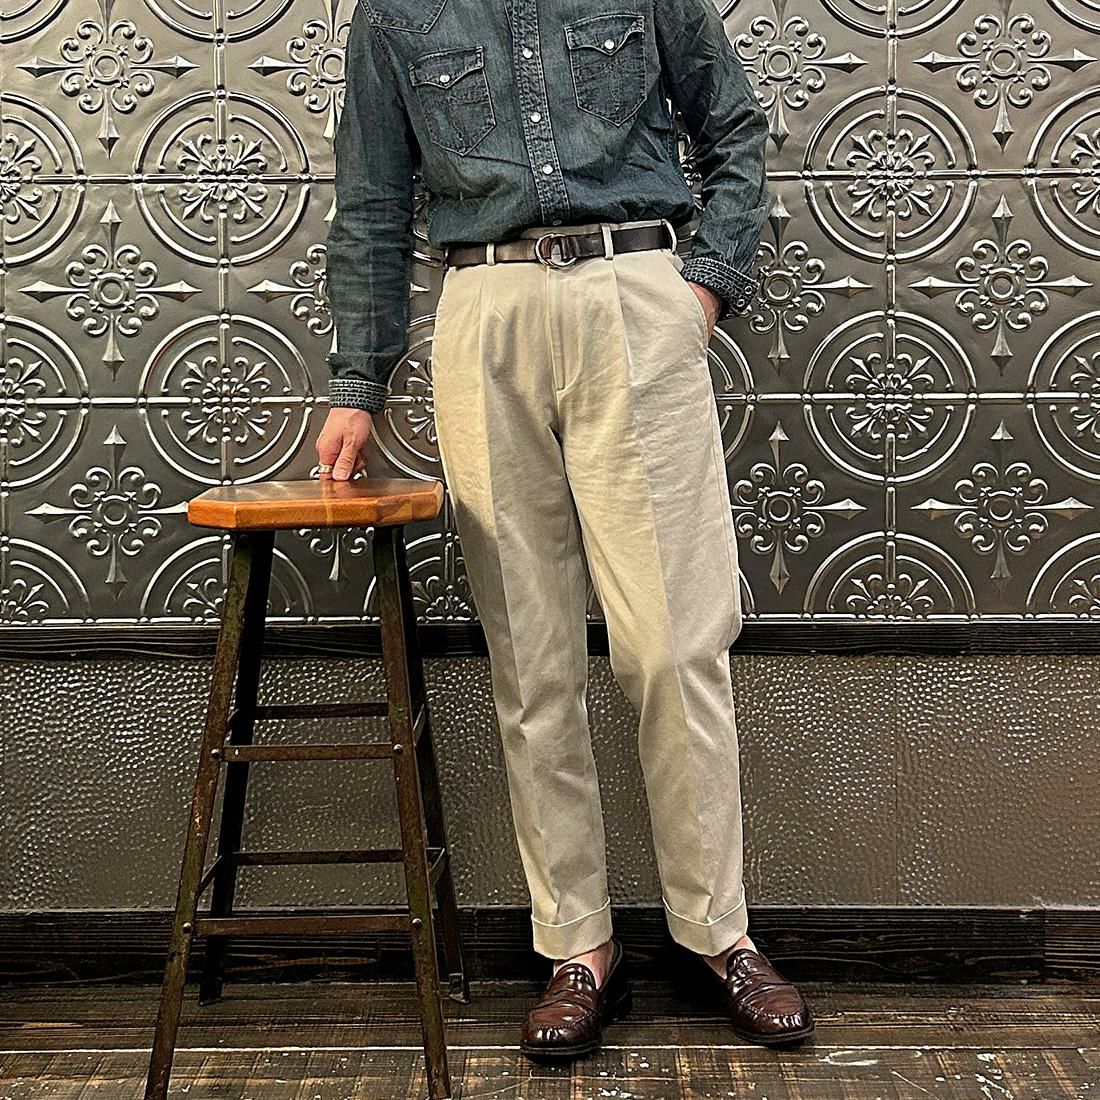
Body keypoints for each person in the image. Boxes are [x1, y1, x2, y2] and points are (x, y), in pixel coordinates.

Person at [319, 0, 813, 1060]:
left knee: (674, 645)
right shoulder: (393, 13)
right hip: (483, 310)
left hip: (635, 297)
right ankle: (576, 944)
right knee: (532, 659)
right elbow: (370, 200)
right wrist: (358, 381)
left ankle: (717, 930)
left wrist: (704, 289)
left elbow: (733, 125)